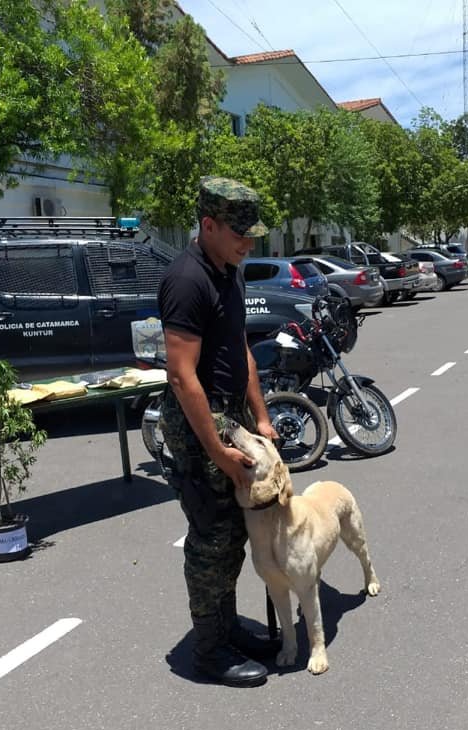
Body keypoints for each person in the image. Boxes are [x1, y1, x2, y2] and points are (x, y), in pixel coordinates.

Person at [157, 176, 280, 687]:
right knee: (212, 539)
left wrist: (262, 417)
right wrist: (221, 453)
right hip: (200, 423)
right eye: (239, 233)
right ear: (208, 225)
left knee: (235, 534)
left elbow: (240, 351)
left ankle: (227, 628)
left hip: (233, 416)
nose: (249, 243)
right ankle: (208, 653)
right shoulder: (188, 280)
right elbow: (182, 376)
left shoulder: (229, 270)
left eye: (253, 234)